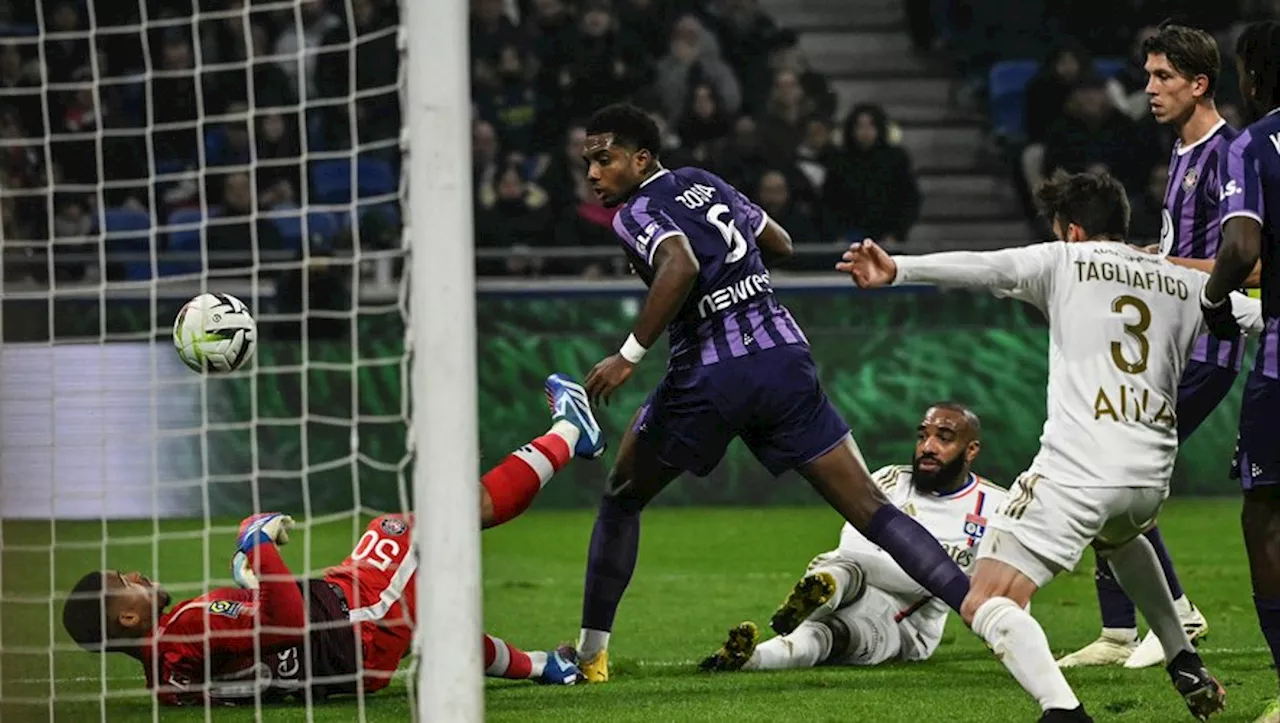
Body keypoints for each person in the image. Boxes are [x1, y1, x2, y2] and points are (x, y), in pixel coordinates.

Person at [839, 170, 1262, 722]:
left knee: (986, 599)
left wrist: (899, 269)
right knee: (1121, 536)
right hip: (1149, 476)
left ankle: (1062, 711)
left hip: (1079, 470)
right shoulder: (1179, 279)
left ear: (1073, 231)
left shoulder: (1064, 261)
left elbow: (985, 266)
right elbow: (1254, 318)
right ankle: (1181, 654)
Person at [574, 102, 973, 683]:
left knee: (621, 497)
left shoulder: (636, 210)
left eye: (603, 159)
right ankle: (987, 613)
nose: (592, 173)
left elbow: (679, 266)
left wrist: (628, 354)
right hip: (783, 355)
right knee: (871, 508)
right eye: (587, 161)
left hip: (709, 373)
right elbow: (779, 242)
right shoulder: (704, 182)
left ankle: (590, 658)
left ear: (640, 159)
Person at [60, 374, 605, 704]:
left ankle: (545, 667)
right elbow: (288, 619)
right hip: (352, 622)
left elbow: (253, 641)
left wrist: (252, 583)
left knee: (429, 615)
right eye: (123, 583)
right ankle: (572, 430)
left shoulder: (163, 678)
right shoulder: (181, 625)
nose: (137, 576)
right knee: (440, 518)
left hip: (346, 651)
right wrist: (256, 540)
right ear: (127, 617)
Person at [1060, 21, 1228, 671]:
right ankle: (1118, 629)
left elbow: (1251, 261)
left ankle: (1176, 611)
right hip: (1170, 344)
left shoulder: (1227, 155)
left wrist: (1156, 268)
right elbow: (1187, 254)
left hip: (1209, 347)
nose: (1150, 88)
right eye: (1149, 75)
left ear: (1198, 82)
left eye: (1163, 77)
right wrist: (1148, 259)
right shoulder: (1183, 154)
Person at [700, 404, 1007, 673]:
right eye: (922, 435)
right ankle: (802, 610)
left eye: (944, 438)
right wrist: (935, 573)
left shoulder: (995, 506)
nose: (928, 446)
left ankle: (761, 649)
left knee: (832, 632)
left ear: (971, 450)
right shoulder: (891, 480)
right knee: (842, 570)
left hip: (905, 623)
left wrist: (1009, 634)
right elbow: (852, 546)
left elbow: (1012, 577)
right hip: (853, 579)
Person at [1197, 20, 1280, 723]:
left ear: (1253, 77)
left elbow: (1241, 240)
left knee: (1268, 515)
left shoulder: (1252, 144)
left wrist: (1216, 294)